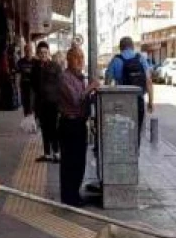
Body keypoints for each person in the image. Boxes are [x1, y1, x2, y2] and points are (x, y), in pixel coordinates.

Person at [57, 45, 99, 206]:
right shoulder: (65, 78)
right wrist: (90, 87)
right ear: (68, 60)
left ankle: (75, 193)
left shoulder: (80, 77)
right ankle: (68, 197)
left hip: (80, 124)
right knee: (70, 162)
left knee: (80, 162)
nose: (80, 61)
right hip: (69, 124)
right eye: (76, 57)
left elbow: (85, 100)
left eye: (82, 57)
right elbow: (75, 99)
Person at [105, 36, 154, 147]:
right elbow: (149, 82)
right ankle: (135, 156)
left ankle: (123, 157)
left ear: (121, 48)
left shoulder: (116, 60)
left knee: (122, 132)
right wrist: (150, 102)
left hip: (121, 102)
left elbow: (107, 83)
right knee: (136, 132)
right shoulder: (140, 58)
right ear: (132, 46)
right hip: (138, 101)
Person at [30, 41, 63, 163]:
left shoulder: (55, 66)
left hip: (53, 104)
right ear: (38, 54)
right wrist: (31, 107)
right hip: (41, 104)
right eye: (41, 53)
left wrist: (60, 104)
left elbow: (61, 85)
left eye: (45, 52)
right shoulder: (35, 68)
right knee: (44, 129)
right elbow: (32, 88)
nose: (43, 55)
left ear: (48, 53)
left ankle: (57, 153)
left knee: (53, 129)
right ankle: (47, 154)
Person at [16, 43, 35, 117]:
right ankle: (27, 120)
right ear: (24, 51)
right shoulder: (20, 62)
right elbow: (18, 74)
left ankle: (31, 121)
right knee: (25, 105)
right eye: (27, 50)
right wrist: (17, 86)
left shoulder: (35, 61)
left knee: (31, 106)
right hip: (24, 86)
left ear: (32, 51)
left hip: (33, 87)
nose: (28, 52)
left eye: (30, 50)